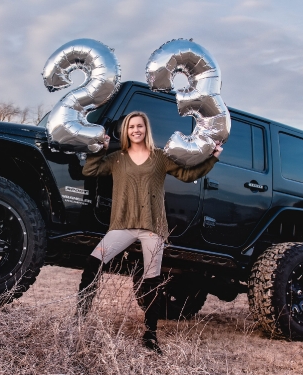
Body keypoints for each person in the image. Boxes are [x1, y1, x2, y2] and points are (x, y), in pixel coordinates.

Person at [78, 111, 222, 354]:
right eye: (131, 126)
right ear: (126, 131)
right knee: (93, 263)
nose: (136, 130)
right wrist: (100, 150)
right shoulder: (116, 158)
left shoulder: (160, 158)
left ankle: (151, 336)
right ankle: (79, 320)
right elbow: (89, 171)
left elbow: (188, 175)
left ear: (146, 129)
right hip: (122, 225)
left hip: (152, 228)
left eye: (140, 126)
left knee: (151, 281)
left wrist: (213, 157)